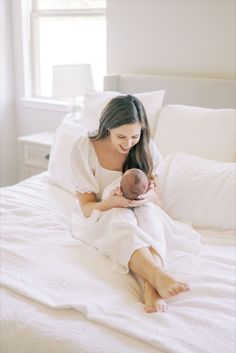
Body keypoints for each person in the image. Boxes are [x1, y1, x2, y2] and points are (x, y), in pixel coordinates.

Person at [70, 95, 196, 313]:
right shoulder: (84, 148)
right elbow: (87, 207)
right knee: (121, 219)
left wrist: (147, 198)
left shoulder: (146, 147)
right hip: (105, 210)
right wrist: (111, 202)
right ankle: (158, 276)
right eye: (121, 136)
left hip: (142, 207)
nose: (128, 144)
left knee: (149, 217)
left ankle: (151, 286)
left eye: (134, 137)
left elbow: (158, 200)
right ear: (107, 127)